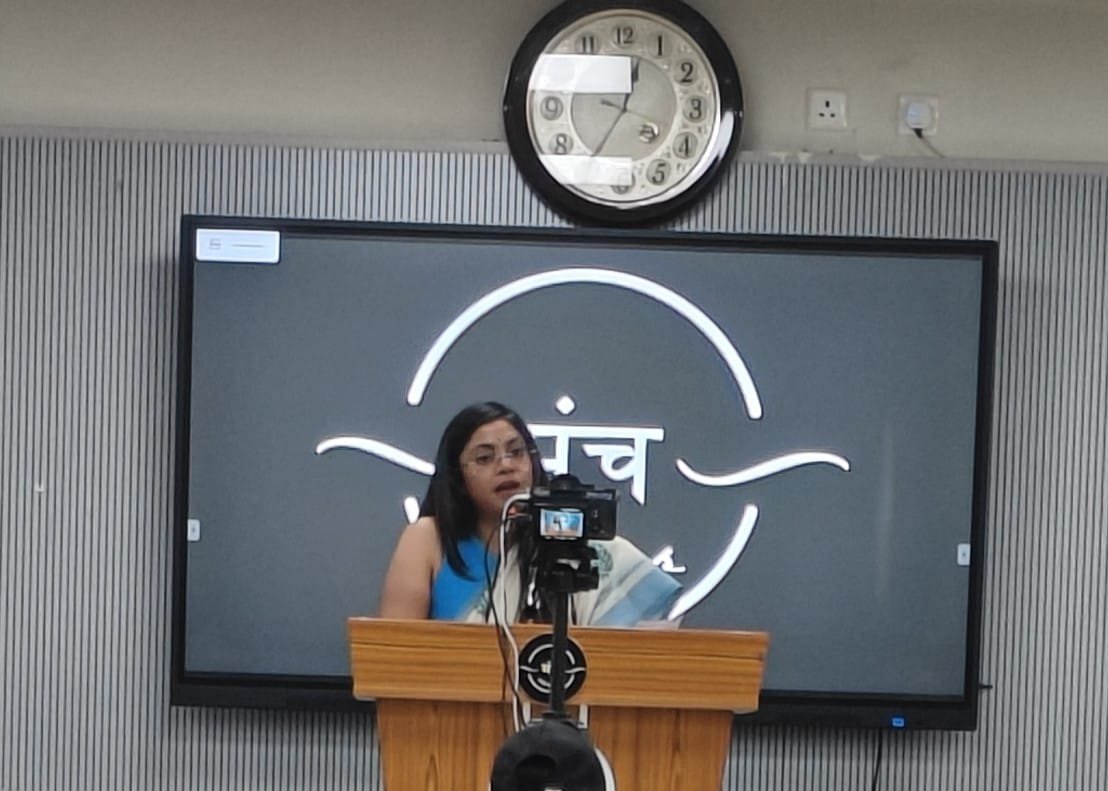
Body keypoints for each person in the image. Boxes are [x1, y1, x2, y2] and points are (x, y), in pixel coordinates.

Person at [378, 401, 681, 626]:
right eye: (485, 458)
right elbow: (393, 655)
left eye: (517, 452)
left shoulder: (570, 538)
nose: (506, 465)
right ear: (458, 478)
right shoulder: (428, 539)